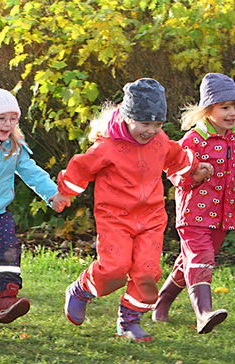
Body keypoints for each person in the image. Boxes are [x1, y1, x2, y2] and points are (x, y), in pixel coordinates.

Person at [53, 78, 214, 341]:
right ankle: (82, 289)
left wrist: (196, 168)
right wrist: (65, 192)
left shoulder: (160, 141)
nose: (151, 130)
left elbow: (177, 157)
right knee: (114, 268)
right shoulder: (108, 146)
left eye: (158, 124)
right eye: (144, 123)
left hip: (151, 218)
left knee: (148, 271)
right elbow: (80, 168)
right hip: (115, 218)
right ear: (128, 117)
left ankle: (129, 320)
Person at [153, 73, 235, 334]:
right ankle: (204, 314)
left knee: (189, 262)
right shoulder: (194, 140)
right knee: (201, 258)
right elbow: (173, 170)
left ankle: (162, 301)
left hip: (224, 216)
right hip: (193, 215)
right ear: (208, 110)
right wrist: (195, 174)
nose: (232, 113)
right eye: (225, 107)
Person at [0, 81, 62, 323]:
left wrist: (53, 194)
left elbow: (33, 173)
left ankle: (7, 300)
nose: (8, 124)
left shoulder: (15, 148)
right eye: (1, 119)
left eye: (13, 119)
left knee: (9, 251)